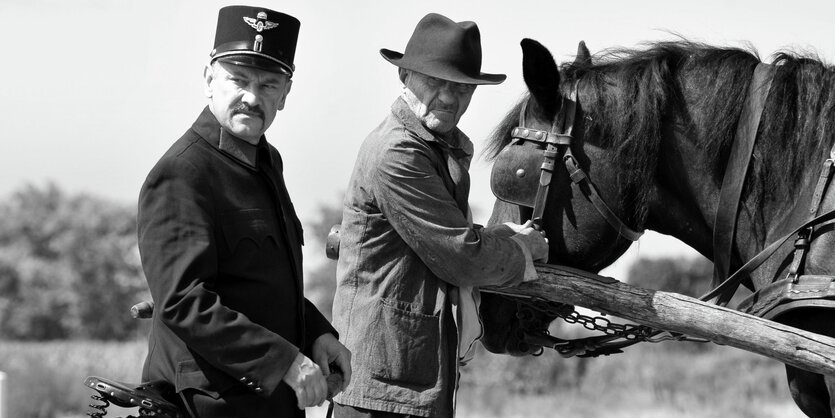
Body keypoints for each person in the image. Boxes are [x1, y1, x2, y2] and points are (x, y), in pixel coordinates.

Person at [137, 5, 351, 417]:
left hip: (267, 402)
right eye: (238, 79)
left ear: (285, 94)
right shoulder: (181, 173)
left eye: (269, 84)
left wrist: (317, 335)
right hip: (205, 404)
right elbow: (185, 303)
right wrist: (284, 362)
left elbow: (261, 286)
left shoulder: (267, 162)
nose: (252, 97)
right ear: (209, 80)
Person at [331, 13, 549, 418]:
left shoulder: (432, 148)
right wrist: (523, 251)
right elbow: (461, 258)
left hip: (401, 384)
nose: (450, 97)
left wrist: (499, 234)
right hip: (381, 393)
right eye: (436, 81)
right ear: (404, 75)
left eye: (462, 87)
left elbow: (444, 237)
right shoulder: (399, 153)